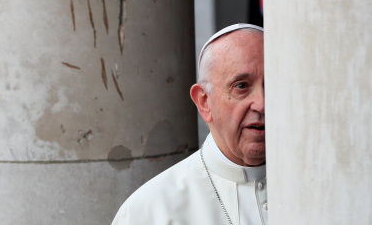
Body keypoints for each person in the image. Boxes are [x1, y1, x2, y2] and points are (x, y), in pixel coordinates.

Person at [112, 23, 266, 225]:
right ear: (204, 102)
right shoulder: (149, 211)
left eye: (271, 84)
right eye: (241, 86)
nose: (262, 104)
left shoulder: (315, 182)